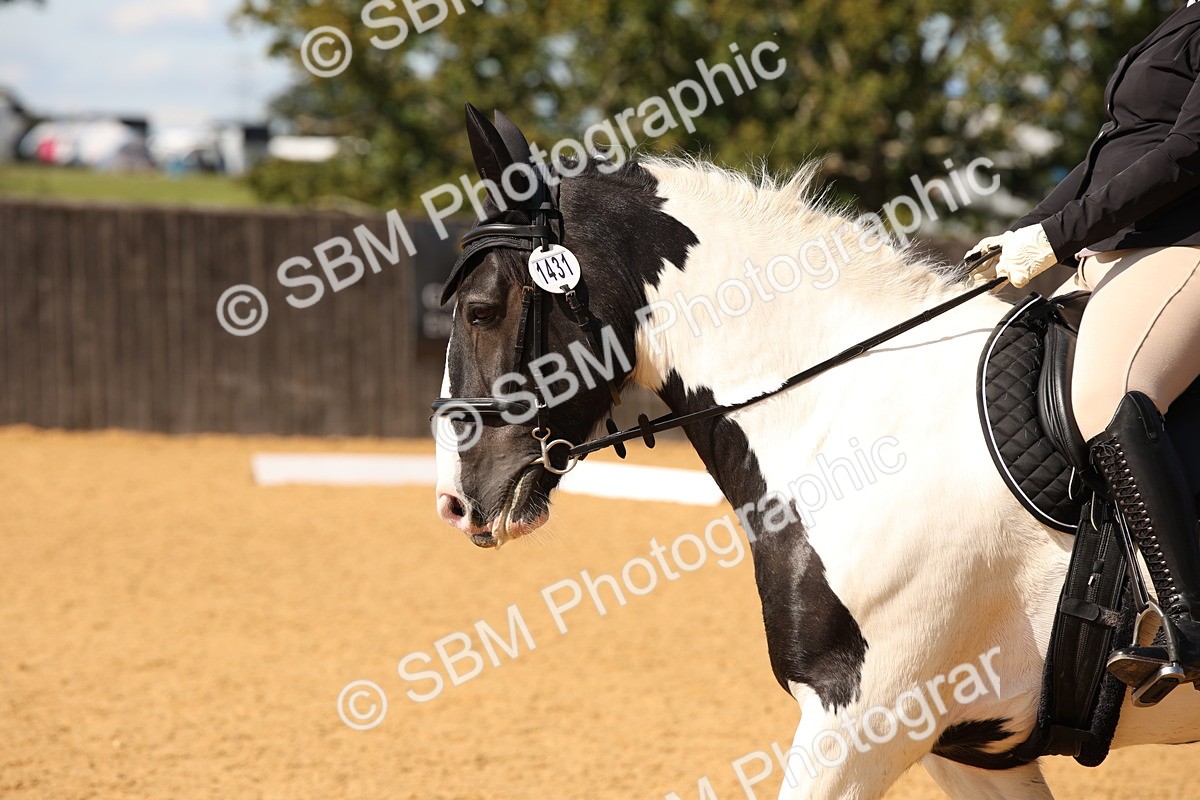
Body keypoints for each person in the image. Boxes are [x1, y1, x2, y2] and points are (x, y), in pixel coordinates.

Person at [965, 3, 1200, 703]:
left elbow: (1187, 150)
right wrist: (1029, 231)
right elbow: (1115, 145)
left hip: (1184, 246)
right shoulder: (1182, 16)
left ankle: (1188, 622)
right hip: (1123, 246)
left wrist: (1061, 237)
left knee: (1109, 391)